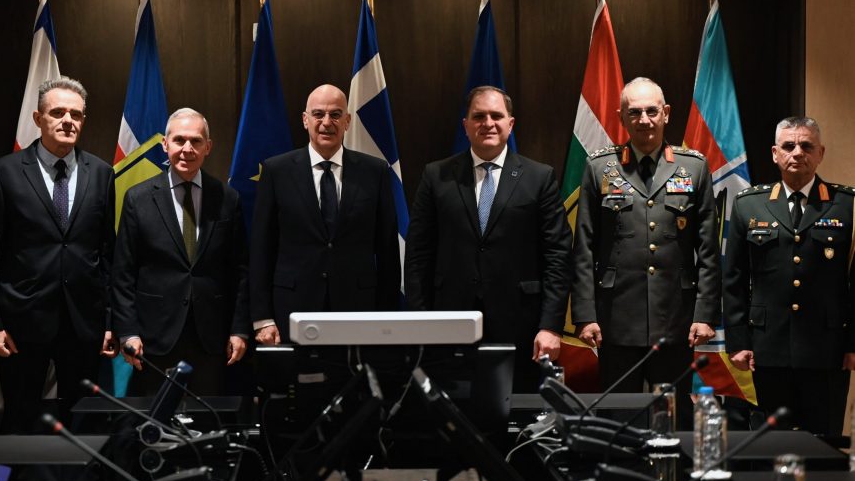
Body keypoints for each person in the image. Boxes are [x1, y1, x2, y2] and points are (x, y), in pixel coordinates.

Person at [571, 77, 720, 422]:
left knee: (673, 418)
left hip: (677, 317)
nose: (644, 119)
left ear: (666, 113)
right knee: (616, 419)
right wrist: (585, 315)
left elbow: (709, 251)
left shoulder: (693, 167)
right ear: (620, 117)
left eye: (652, 111)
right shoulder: (599, 167)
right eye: (634, 112)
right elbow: (584, 248)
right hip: (616, 319)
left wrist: (704, 314)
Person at [405, 86, 572, 390]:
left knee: (515, 410)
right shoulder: (436, 176)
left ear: (511, 123)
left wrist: (551, 326)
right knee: (452, 409)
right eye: (479, 116)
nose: (488, 123)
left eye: (496, 116)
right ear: (466, 125)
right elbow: (418, 254)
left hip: (521, 326)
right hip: (449, 323)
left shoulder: (539, 177)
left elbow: (558, 257)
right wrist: (420, 321)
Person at [0, 77, 116, 432]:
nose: (68, 121)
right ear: (38, 119)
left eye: (76, 114)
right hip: (21, 323)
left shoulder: (102, 173)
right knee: (19, 421)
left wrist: (109, 322)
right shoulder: (4, 173)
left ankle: (78, 473)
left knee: (82, 423)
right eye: (58, 113)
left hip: (83, 323)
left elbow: (106, 254)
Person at [724, 117, 855, 435]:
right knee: (770, 442)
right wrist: (738, 341)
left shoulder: (847, 205)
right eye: (789, 145)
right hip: (767, 347)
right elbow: (734, 279)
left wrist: (853, 343)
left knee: (823, 443)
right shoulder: (749, 205)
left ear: (820, 153)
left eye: (807, 146)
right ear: (775, 153)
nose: (797, 152)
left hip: (827, 348)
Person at [112, 108, 250, 396]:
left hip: (212, 338)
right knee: (155, 418)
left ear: (208, 147)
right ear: (165, 144)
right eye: (179, 140)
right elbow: (123, 272)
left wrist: (239, 330)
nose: (187, 149)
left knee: (208, 416)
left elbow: (240, 271)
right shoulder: (138, 198)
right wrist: (128, 332)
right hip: (153, 338)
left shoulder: (227, 198)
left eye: (196, 141)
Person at [250, 84, 400, 344]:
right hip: (292, 309)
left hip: (358, 311)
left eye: (335, 114)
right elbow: (262, 248)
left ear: (347, 121)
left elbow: (387, 250)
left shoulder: (374, 172)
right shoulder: (276, 171)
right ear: (305, 120)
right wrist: (263, 318)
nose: (326, 123)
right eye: (318, 114)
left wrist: (386, 317)